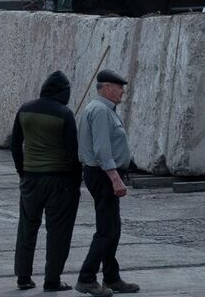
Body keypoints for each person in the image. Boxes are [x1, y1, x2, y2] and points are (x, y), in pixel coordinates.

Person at [9, 71, 81, 292]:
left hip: (31, 178)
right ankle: (52, 280)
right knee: (58, 231)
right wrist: (75, 183)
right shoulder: (65, 114)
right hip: (59, 181)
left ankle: (23, 277)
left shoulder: (25, 109)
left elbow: (15, 145)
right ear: (63, 93)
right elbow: (73, 153)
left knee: (27, 228)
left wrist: (23, 172)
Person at [75, 69, 137, 296]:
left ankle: (112, 277)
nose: (122, 92)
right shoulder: (100, 111)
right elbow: (102, 149)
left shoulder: (104, 109)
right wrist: (115, 179)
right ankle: (86, 278)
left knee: (113, 228)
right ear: (107, 88)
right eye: (119, 87)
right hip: (103, 175)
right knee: (106, 230)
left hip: (103, 174)